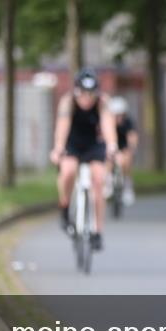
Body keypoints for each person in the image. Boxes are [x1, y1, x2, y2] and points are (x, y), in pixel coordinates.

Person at [50, 68, 119, 251]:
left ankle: (98, 232)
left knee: (99, 180)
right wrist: (58, 148)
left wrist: (112, 145)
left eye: (91, 94)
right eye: (83, 93)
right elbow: (62, 126)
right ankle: (65, 207)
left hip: (93, 144)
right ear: (76, 91)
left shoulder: (103, 102)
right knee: (68, 171)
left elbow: (108, 125)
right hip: (72, 143)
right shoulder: (68, 102)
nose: (87, 98)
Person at [109, 96, 138, 206]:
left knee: (127, 160)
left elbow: (132, 136)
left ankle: (127, 186)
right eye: (116, 115)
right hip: (112, 147)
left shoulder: (128, 122)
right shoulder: (108, 123)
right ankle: (108, 181)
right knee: (107, 159)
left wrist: (132, 148)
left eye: (121, 114)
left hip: (124, 146)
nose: (119, 117)